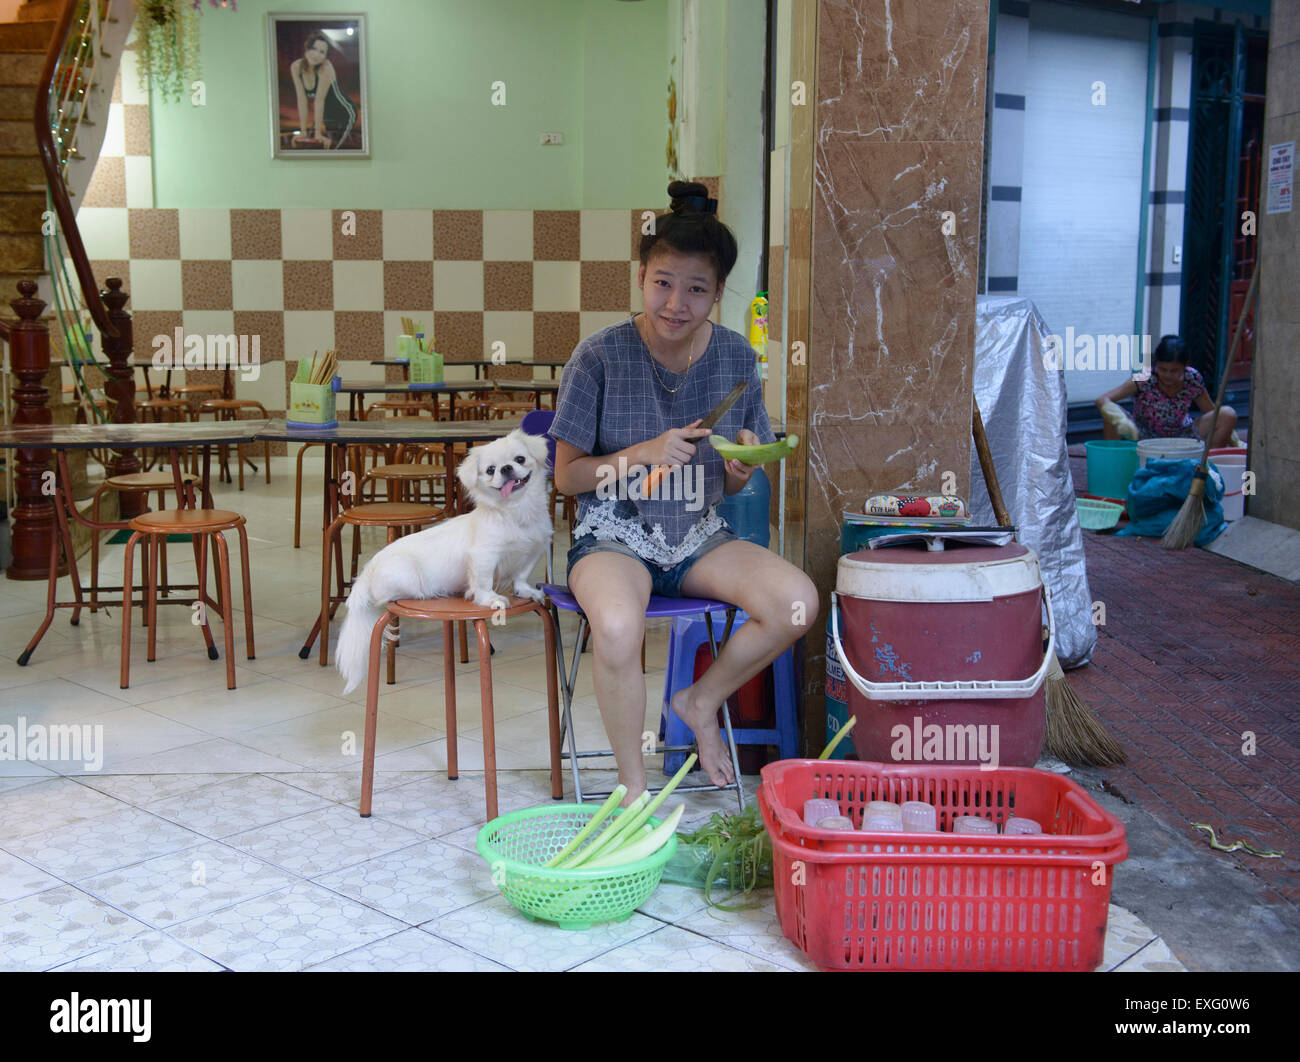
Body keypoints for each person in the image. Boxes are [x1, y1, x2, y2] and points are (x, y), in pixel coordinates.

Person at [549, 180, 817, 803]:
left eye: (697, 289)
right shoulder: (598, 357)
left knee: (797, 601)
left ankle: (700, 700)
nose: (676, 302)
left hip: (698, 535)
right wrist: (639, 455)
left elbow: (732, 469)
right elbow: (566, 476)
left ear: (718, 294)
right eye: (663, 282)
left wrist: (739, 470)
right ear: (642, 277)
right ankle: (633, 791)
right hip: (613, 537)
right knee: (617, 627)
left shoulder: (735, 359)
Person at [1095, 335, 1237, 447]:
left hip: (1181, 436)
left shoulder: (1192, 378)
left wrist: (1234, 440)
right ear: (1155, 365)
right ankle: (1113, 462)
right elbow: (1103, 400)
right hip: (1143, 436)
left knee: (1227, 414)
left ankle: (1209, 467)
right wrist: (1121, 422)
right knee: (1109, 413)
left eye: (1174, 371)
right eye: (1163, 369)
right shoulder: (1144, 377)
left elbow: (1210, 411)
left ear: (1185, 366)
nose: (1168, 375)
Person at [288, 31, 357, 150]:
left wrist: (318, 133)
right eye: (314, 49)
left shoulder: (326, 67)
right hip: (325, 115)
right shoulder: (296, 67)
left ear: (325, 56)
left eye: (322, 52)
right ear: (307, 48)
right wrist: (303, 131)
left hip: (344, 113)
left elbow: (320, 100)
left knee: (337, 151)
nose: (316, 55)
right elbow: (302, 99)